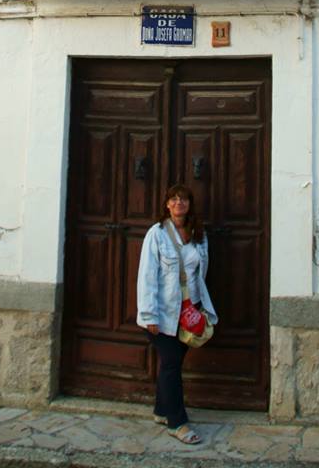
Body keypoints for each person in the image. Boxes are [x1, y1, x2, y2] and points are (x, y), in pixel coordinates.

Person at [136, 183, 218, 445]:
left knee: (172, 363)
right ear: (167, 204)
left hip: (188, 311)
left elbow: (200, 273)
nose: (179, 203)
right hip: (162, 313)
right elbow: (147, 275)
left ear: (189, 204)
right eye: (174, 199)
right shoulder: (157, 234)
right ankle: (177, 423)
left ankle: (162, 411)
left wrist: (198, 304)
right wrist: (149, 315)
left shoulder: (198, 234)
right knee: (171, 364)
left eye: (183, 199)